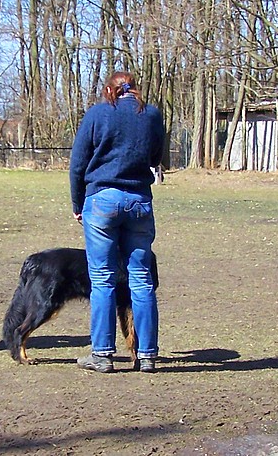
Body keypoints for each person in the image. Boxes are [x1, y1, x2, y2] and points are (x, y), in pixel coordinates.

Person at [69, 71, 164, 373]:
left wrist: (77, 203)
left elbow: (77, 164)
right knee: (142, 279)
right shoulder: (151, 115)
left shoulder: (97, 113)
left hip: (102, 201)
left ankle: (102, 355)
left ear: (108, 89)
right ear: (134, 90)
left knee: (102, 279)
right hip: (139, 201)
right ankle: (147, 355)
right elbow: (157, 156)